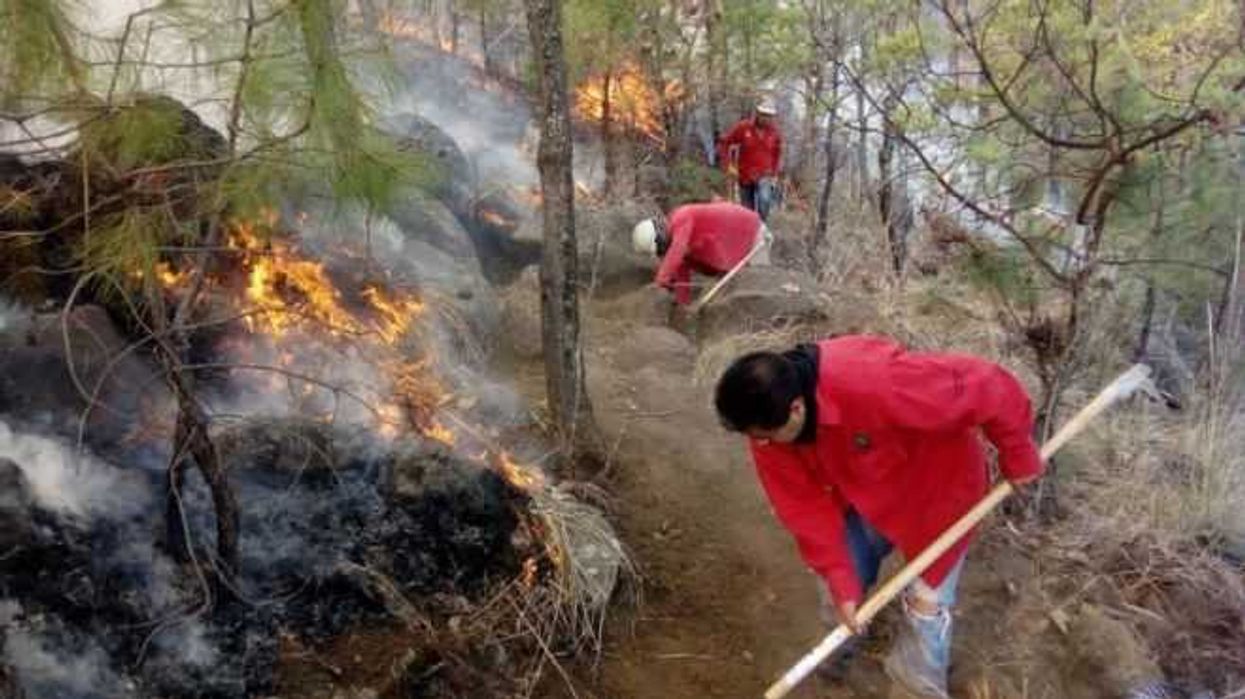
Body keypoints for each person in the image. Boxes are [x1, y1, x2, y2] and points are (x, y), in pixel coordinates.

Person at [713, 335, 1042, 698]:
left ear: (796, 408)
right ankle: (833, 661)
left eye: (767, 437)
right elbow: (804, 507)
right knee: (839, 589)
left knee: (925, 607)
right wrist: (841, 579)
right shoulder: (764, 427)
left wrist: (1018, 454)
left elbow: (990, 386)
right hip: (866, 495)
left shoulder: (874, 380)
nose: (762, 445)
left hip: (939, 490)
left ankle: (914, 688)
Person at [631, 201, 772, 306]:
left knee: (759, 291)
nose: (662, 254)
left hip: (754, 234)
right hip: (735, 248)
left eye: (660, 249)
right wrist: (682, 306)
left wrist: (659, 282)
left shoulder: (681, 217)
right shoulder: (681, 244)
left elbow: (676, 253)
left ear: (660, 237)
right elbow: (681, 274)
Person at [717, 99, 784, 220]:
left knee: (764, 200)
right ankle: (750, 228)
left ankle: (761, 225)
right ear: (757, 113)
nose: (766, 118)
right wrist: (728, 165)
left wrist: (775, 174)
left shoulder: (775, 133)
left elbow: (777, 154)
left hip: (765, 174)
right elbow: (725, 143)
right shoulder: (743, 127)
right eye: (763, 114)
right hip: (745, 175)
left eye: (769, 116)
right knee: (747, 210)